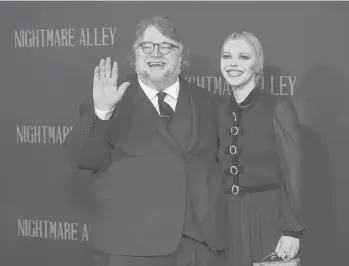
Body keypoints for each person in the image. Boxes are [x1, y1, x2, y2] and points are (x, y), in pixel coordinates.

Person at [63, 16, 226, 266]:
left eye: (166, 46)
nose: (156, 53)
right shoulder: (108, 100)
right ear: (135, 56)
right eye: (146, 46)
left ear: (181, 56)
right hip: (131, 247)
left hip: (200, 248)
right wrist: (102, 112)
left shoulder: (209, 102)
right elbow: (84, 158)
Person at [216, 31, 306, 266]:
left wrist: (291, 229)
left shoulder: (278, 107)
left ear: (258, 65)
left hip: (268, 217)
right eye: (227, 56)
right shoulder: (215, 110)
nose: (233, 63)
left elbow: (292, 172)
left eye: (243, 57)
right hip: (224, 219)